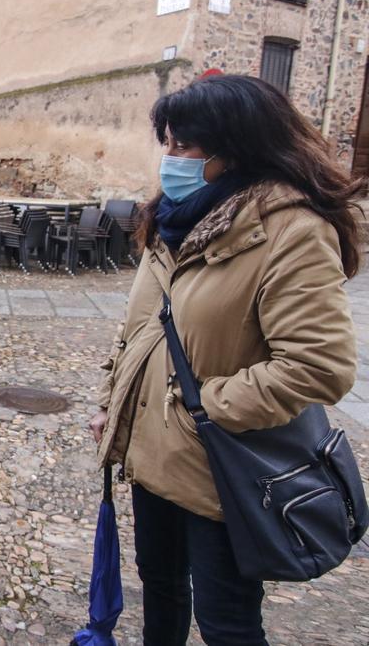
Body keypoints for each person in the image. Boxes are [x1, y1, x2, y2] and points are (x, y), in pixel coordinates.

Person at [90, 74, 362, 645]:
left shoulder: (291, 230)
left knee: (227, 624)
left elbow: (319, 365)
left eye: (186, 145)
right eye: (169, 142)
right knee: (159, 590)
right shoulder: (170, 220)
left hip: (223, 471)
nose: (172, 158)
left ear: (235, 148)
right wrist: (116, 406)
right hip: (153, 459)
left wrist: (203, 410)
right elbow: (141, 332)